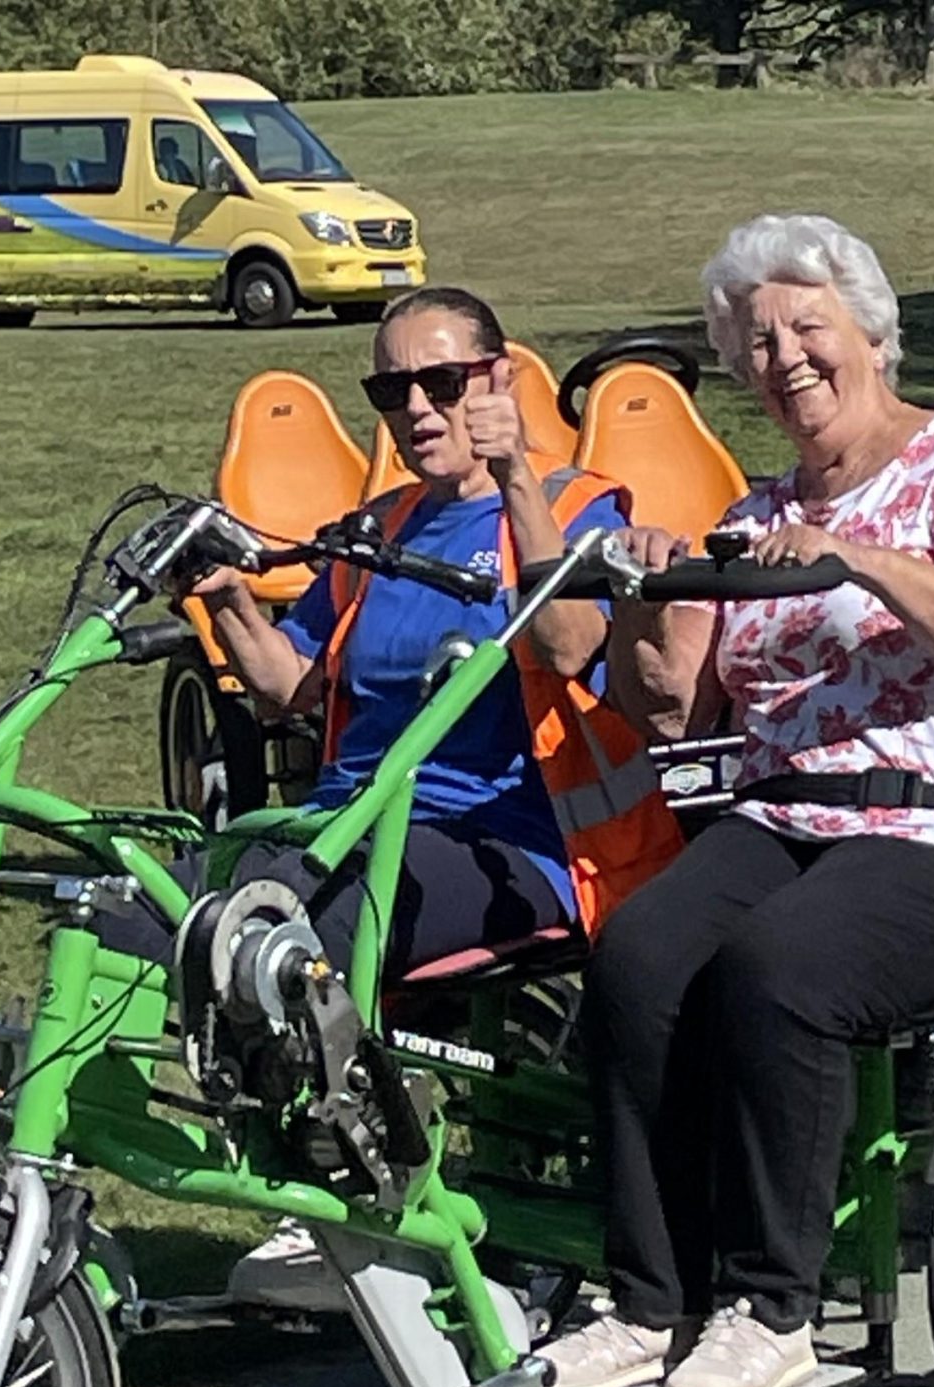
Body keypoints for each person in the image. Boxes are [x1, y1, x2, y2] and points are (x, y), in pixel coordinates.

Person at [532, 214, 934, 1387]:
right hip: (788, 816)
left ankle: (770, 1310)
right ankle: (648, 1305)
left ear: (870, 334)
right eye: (756, 342)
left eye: (805, 328)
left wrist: (857, 556)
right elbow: (673, 708)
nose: (782, 358)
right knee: (638, 955)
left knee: (779, 966)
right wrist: (645, 591)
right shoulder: (757, 511)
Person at [87, 286, 676, 1304]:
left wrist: (517, 474)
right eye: (391, 389)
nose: (416, 408)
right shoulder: (376, 528)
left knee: (284, 941)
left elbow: (567, 644)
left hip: (504, 842)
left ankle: (340, 1191)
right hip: (342, 828)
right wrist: (228, 602)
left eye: (441, 382)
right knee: (124, 910)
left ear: (498, 378)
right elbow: (289, 689)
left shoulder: (580, 507)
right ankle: (77, 1171)